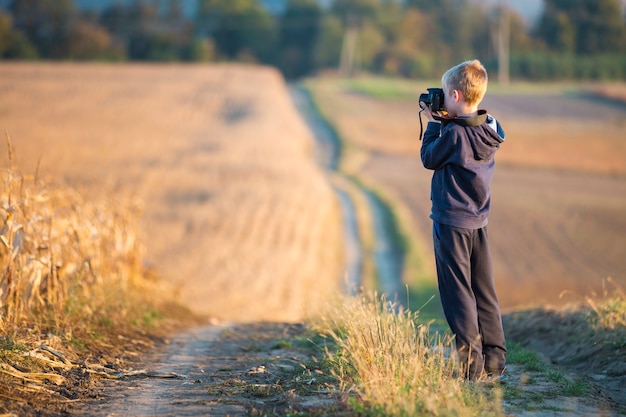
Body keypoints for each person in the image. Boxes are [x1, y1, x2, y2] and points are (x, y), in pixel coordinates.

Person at [419, 59, 507, 381]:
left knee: (458, 293)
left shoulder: (453, 133)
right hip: (478, 222)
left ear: (455, 95)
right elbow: (482, 122)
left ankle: (471, 367)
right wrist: (451, 118)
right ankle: (494, 361)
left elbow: (429, 157)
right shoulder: (491, 130)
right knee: (483, 290)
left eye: (444, 94)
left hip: (452, 222)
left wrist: (434, 121)